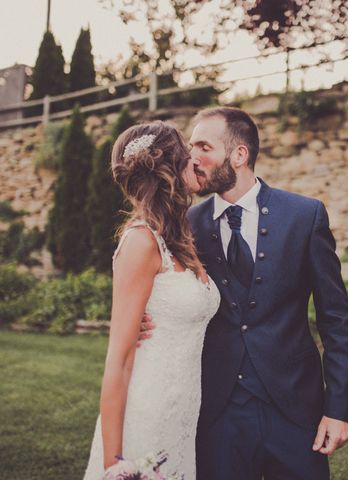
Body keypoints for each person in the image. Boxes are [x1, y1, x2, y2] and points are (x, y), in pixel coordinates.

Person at [141, 106, 348, 479]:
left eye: (204, 147)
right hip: (217, 414)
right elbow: (166, 290)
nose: (192, 157)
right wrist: (144, 321)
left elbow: (336, 320)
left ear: (239, 155)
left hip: (294, 411)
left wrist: (338, 409)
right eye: (191, 146)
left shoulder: (304, 216)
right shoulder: (187, 224)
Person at [83, 121, 221, 479]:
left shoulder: (178, 238)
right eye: (188, 150)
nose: (196, 157)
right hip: (147, 409)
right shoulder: (141, 242)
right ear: (172, 165)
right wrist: (114, 463)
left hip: (182, 411)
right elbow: (120, 359)